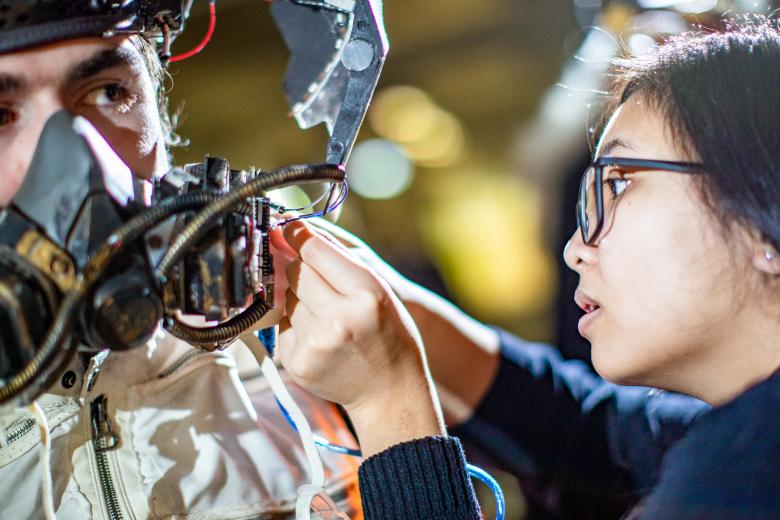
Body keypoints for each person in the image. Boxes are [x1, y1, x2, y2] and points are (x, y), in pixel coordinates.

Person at [272, 15, 780, 519]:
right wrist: (387, 301)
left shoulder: (741, 473)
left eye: (620, 183)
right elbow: (579, 431)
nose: (576, 248)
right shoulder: (736, 434)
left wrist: (387, 405)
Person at [0, 7, 361, 520]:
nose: (82, 162)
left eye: (110, 93)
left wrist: (388, 398)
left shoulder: (298, 291)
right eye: (1, 115)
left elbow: (516, 405)